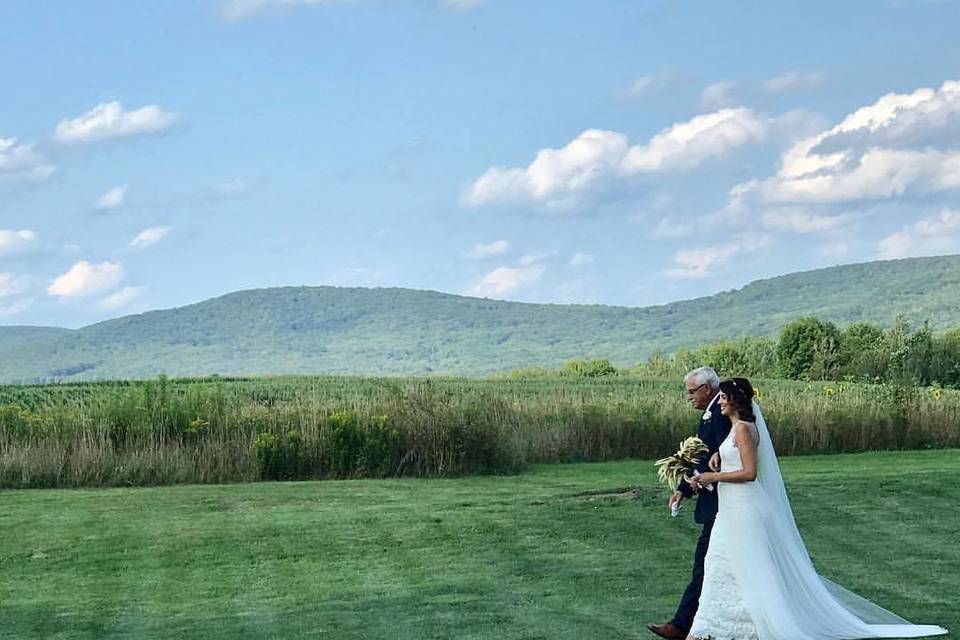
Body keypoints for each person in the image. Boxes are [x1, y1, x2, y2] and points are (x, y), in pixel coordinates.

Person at [685, 377, 948, 640]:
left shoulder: (743, 429)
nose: (719, 402)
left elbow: (750, 473)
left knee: (745, 565)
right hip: (732, 509)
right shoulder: (737, 429)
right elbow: (737, 459)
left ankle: (733, 626)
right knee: (722, 564)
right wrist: (719, 456)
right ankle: (714, 626)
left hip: (744, 507)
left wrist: (712, 477)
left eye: (723, 397)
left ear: (734, 400)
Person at [648, 366, 732, 640]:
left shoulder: (721, 415)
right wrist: (683, 489)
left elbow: (722, 460)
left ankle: (683, 626)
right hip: (715, 502)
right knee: (711, 566)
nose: (688, 397)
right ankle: (692, 625)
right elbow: (700, 458)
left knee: (705, 565)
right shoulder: (711, 415)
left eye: (691, 391)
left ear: (707, 388)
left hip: (724, 505)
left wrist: (704, 479)